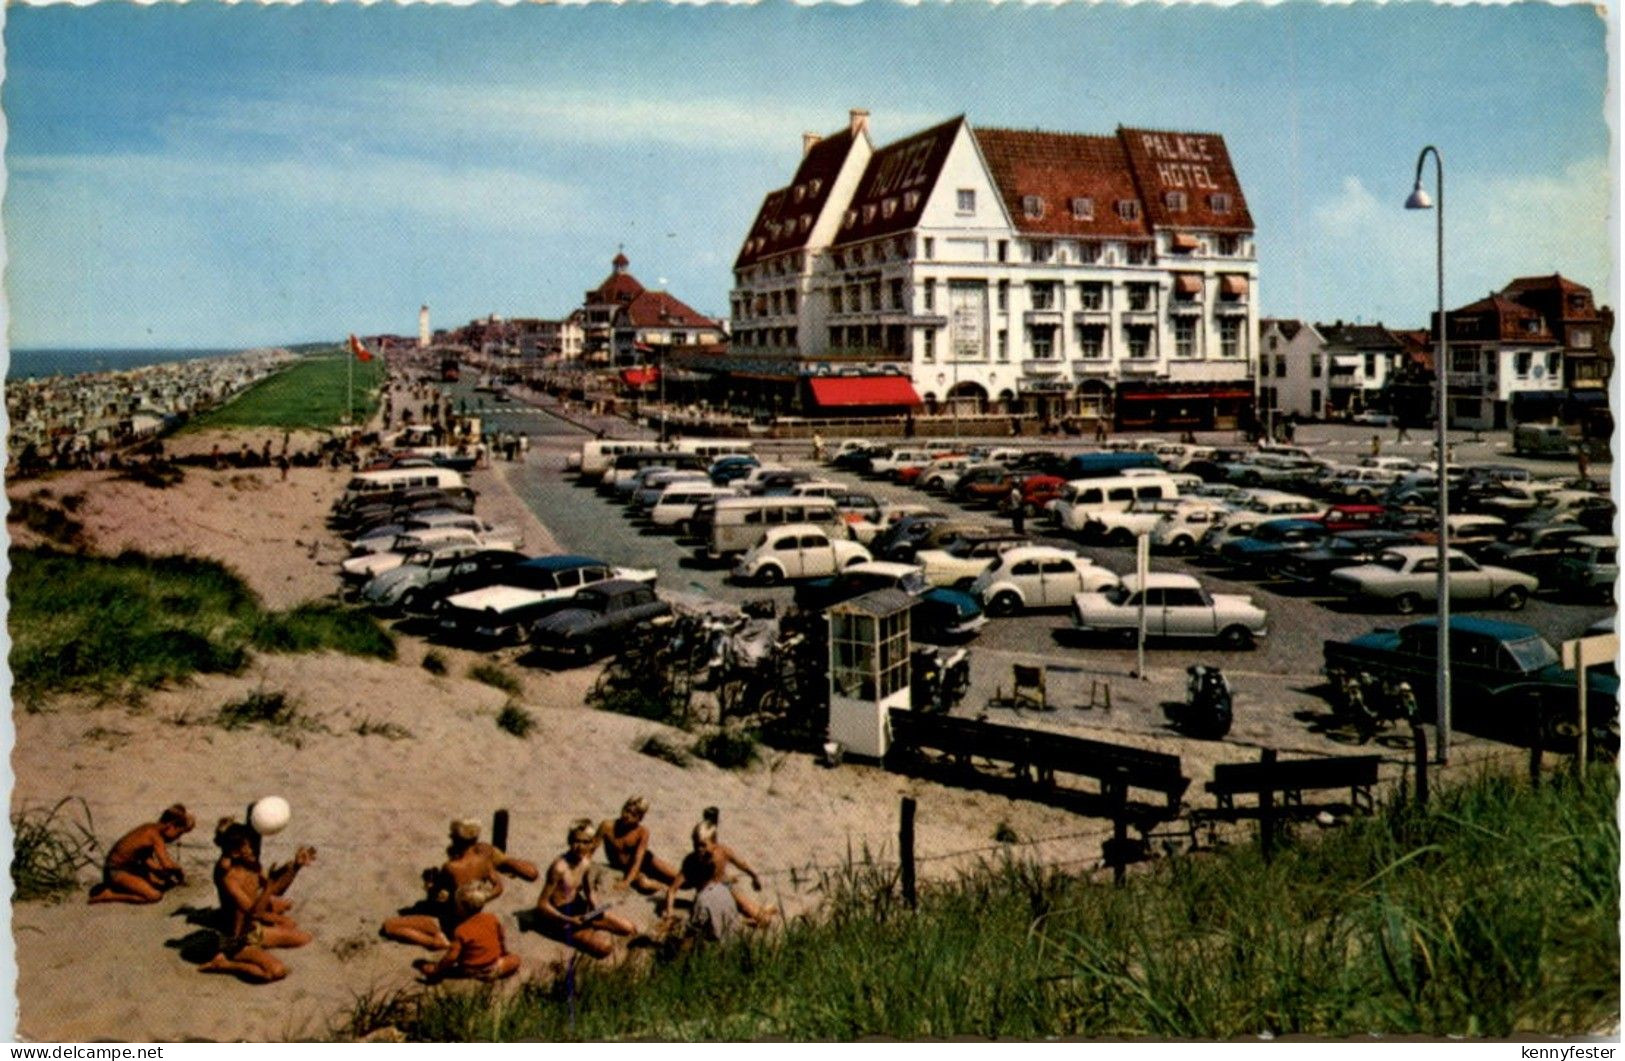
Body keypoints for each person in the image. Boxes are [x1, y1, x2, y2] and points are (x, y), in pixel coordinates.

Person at [198, 820, 315, 983]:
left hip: (254, 932)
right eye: (249, 846)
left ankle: (259, 948)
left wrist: (296, 867)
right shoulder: (230, 880)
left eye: (253, 844)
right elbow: (256, 912)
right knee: (276, 972)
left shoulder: (254, 866)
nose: (254, 849)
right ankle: (225, 964)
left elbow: (277, 890)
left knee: (305, 938)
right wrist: (268, 888)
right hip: (236, 942)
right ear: (235, 853)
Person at [535, 819, 637, 959]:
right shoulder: (559, 868)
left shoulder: (586, 862)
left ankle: (591, 925)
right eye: (576, 841)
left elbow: (588, 889)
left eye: (585, 842)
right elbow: (542, 904)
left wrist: (593, 901)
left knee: (629, 928)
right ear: (570, 841)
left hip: (581, 909)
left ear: (592, 844)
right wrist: (569, 920)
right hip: (561, 917)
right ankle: (571, 932)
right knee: (604, 948)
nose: (580, 846)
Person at [662, 820, 775, 932]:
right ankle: (743, 917)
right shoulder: (691, 861)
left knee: (765, 921)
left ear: (714, 843)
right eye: (695, 844)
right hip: (706, 898)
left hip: (727, 888)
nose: (698, 849)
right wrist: (670, 913)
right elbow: (672, 890)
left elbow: (741, 864)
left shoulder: (722, 852)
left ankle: (751, 915)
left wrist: (754, 876)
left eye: (703, 845)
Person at [413, 880, 521, 984]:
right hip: (494, 964)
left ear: (461, 908)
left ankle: (440, 971)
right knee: (515, 959)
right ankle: (493, 972)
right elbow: (501, 937)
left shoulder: (461, 931)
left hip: (471, 969)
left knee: (454, 964)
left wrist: (437, 968)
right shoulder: (492, 918)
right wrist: (504, 952)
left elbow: (451, 957)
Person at [88, 804, 195, 905]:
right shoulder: (154, 836)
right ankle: (109, 895)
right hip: (115, 871)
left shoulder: (150, 827)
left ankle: (126, 884)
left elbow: (145, 858)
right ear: (171, 826)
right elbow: (166, 864)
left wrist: (159, 871)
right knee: (154, 896)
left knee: (159, 879)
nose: (177, 838)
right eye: (179, 833)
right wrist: (178, 870)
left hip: (129, 867)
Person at [595, 797, 679, 894]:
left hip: (645, 861)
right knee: (643, 883)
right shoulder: (607, 826)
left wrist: (627, 882)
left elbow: (637, 860)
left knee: (678, 877)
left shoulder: (642, 832)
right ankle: (662, 887)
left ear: (640, 818)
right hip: (626, 867)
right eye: (626, 810)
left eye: (633, 815)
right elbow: (591, 847)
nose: (627, 816)